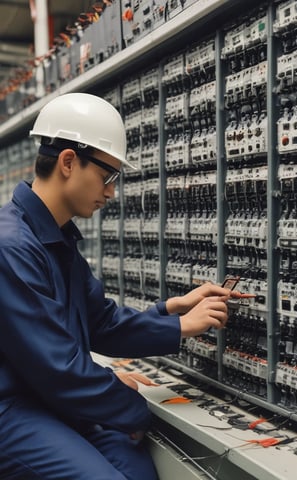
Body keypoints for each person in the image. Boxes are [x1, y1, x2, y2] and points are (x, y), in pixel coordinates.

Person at [0, 93, 232, 480]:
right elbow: (57, 368)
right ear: (69, 162)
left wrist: (177, 318)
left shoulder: (55, 240)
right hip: (13, 408)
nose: (111, 192)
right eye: (108, 176)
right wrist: (129, 404)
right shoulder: (11, 246)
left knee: (136, 468)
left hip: (48, 397)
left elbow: (100, 322)